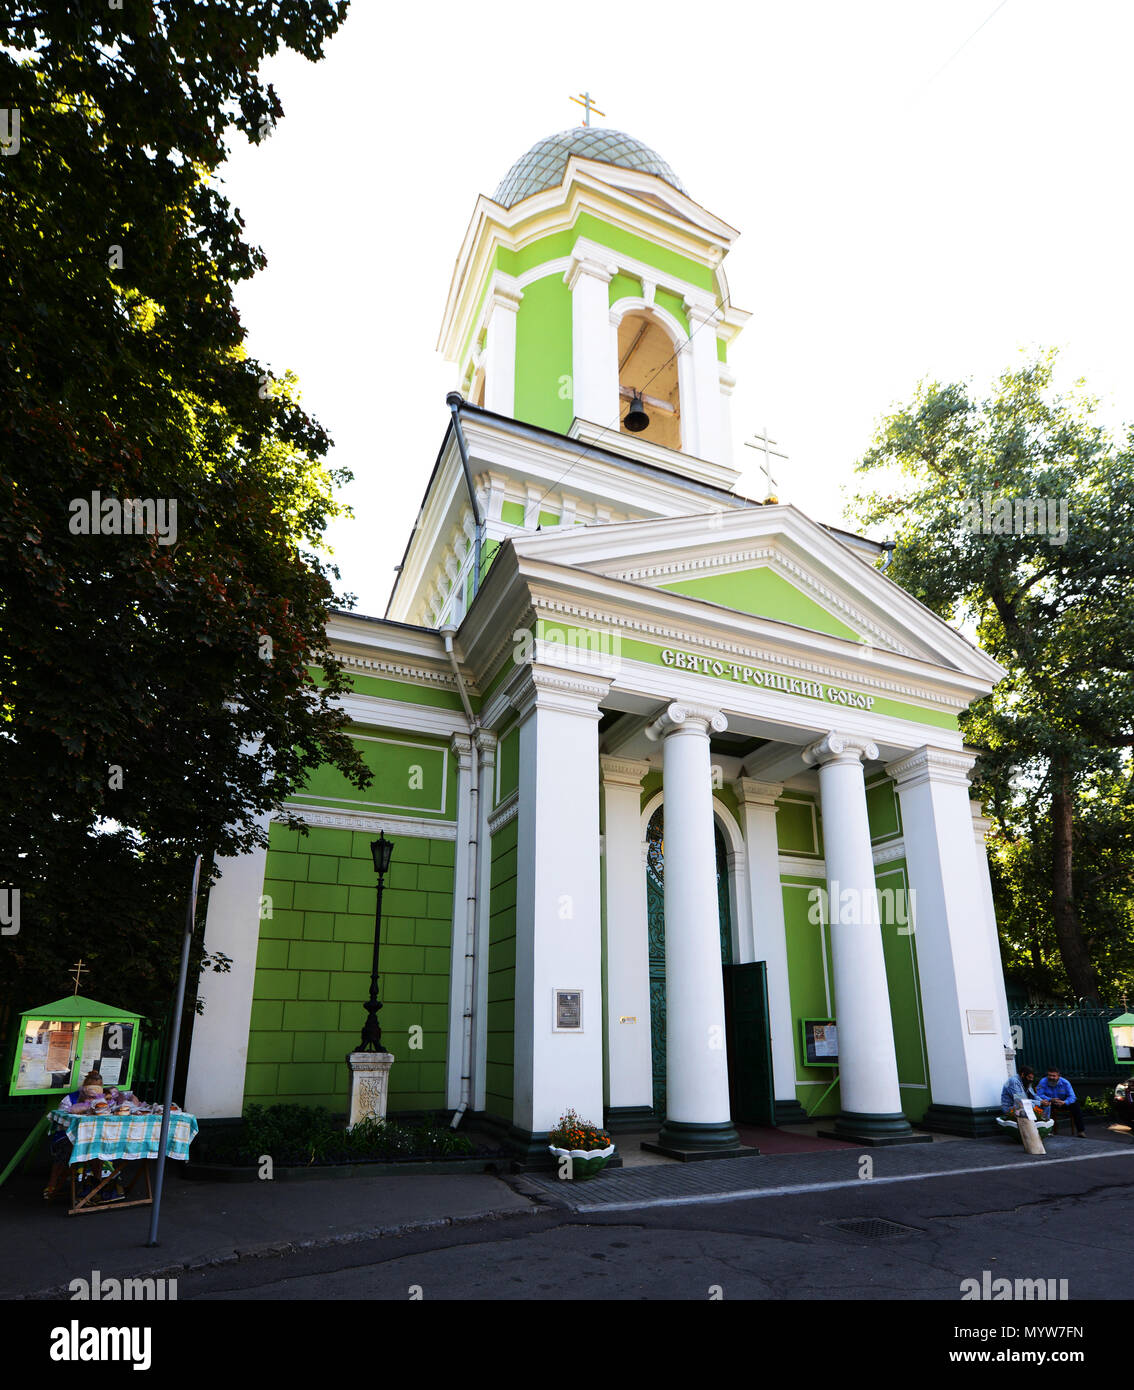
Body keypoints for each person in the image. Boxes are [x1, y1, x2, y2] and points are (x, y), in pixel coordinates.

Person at [1036, 1067, 1087, 1137]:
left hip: (1062, 1102)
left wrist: (1064, 1102)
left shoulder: (1065, 1083)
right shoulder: (1043, 1081)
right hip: (1049, 1102)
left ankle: (1081, 1131)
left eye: (1054, 1076)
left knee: (1076, 1106)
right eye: (1049, 1075)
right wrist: (1050, 1099)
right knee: (1043, 1105)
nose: (1051, 1077)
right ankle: (1046, 1131)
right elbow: (1039, 1095)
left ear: (1059, 1076)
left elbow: (1072, 1097)